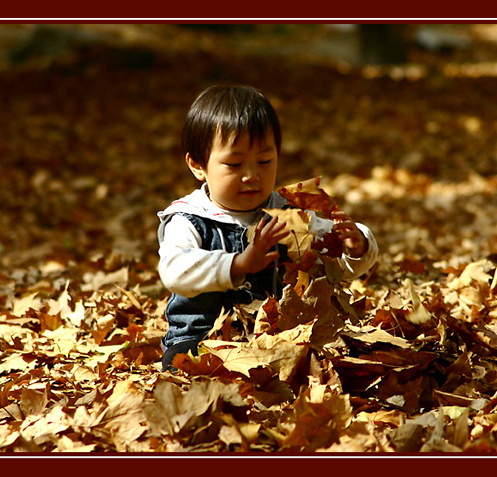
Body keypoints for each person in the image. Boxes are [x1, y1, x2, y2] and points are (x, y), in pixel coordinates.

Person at [156, 85, 379, 371]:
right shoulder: (189, 219)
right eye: (235, 164)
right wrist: (236, 264)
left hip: (276, 339)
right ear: (198, 166)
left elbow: (335, 268)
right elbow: (175, 271)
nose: (252, 175)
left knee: (331, 358)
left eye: (264, 161)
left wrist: (355, 246)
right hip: (203, 339)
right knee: (184, 365)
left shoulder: (286, 214)